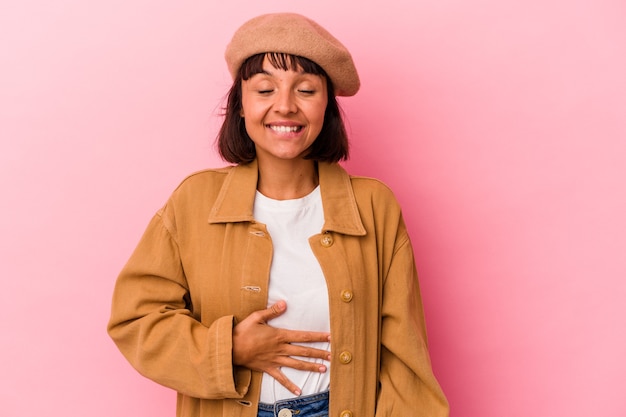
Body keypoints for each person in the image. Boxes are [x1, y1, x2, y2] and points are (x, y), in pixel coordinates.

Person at [108, 12, 449, 417]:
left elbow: (404, 362)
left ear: (328, 107)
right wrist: (229, 349)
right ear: (240, 105)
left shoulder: (374, 208)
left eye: (305, 90)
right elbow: (135, 319)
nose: (285, 107)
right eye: (265, 89)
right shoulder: (193, 202)